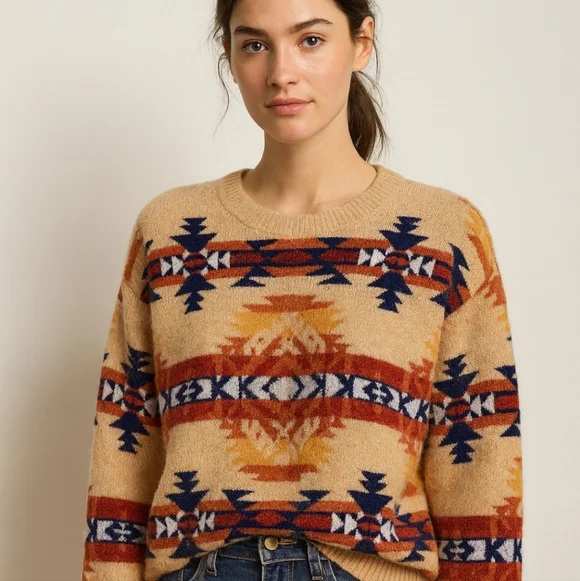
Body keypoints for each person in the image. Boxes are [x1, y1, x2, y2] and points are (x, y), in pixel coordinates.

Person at [81, 0, 524, 580]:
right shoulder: (171, 232)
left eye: (310, 40)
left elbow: (479, 457)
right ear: (230, 57)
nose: (281, 72)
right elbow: (126, 445)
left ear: (361, 43)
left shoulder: (441, 234)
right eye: (255, 45)